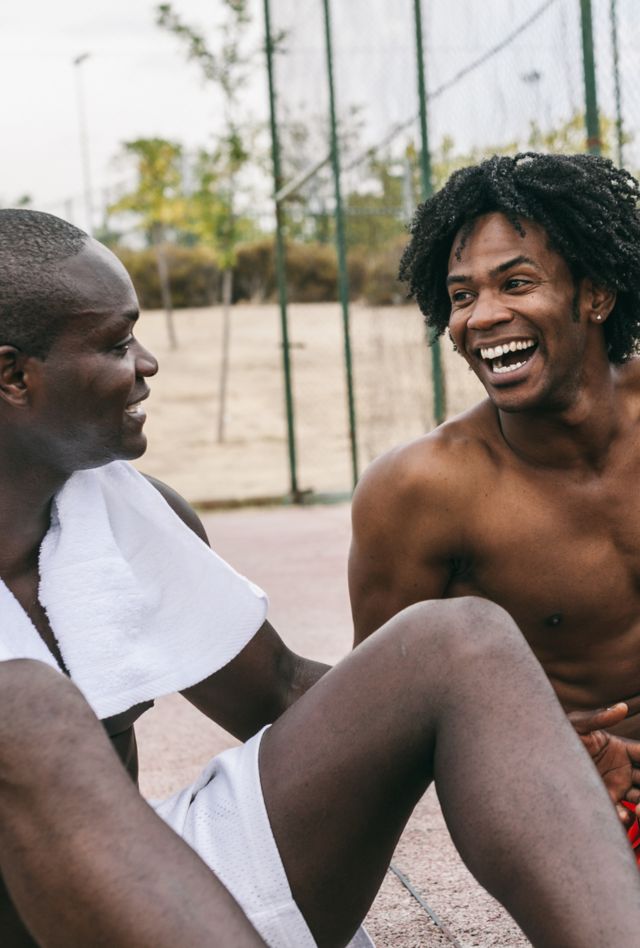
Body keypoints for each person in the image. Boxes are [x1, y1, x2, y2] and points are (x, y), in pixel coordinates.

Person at [2, 208, 640, 948]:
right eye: (117, 344)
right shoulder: (434, 477)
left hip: (145, 898)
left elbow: (277, 689)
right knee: (25, 707)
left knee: (453, 640)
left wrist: (532, 743)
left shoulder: (121, 511)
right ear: (15, 374)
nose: (147, 363)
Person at [349, 152, 640, 845]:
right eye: (460, 295)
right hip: (579, 798)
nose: (483, 317)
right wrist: (522, 746)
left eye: (516, 283)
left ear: (595, 295)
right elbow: (374, 717)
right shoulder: (422, 489)